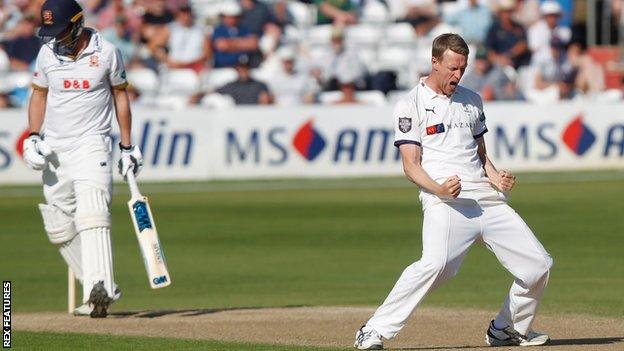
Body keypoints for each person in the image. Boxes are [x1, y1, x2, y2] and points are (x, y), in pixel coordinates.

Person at [353, 33, 552, 350]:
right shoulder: (410, 104)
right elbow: (410, 165)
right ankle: (374, 330)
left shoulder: (472, 99)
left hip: (486, 200)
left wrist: (495, 175)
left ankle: (506, 328)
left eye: (463, 68)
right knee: (435, 267)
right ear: (435, 62)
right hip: (445, 202)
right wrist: (439, 188)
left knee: (538, 266)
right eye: (452, 68)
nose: (457, 76)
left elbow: (480, 153)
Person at [24, 0, 143, 318]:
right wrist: (34, 136)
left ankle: (100, 283)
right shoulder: (48, 53)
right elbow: (39, 94)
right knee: (58, 224)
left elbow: (120, 95)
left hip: (93, 143)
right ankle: (94, 289)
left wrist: (127, 146)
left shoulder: (106, 52)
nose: (56, 38)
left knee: (93, 208)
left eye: (61, 31)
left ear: (77, 24)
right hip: (56, 147)